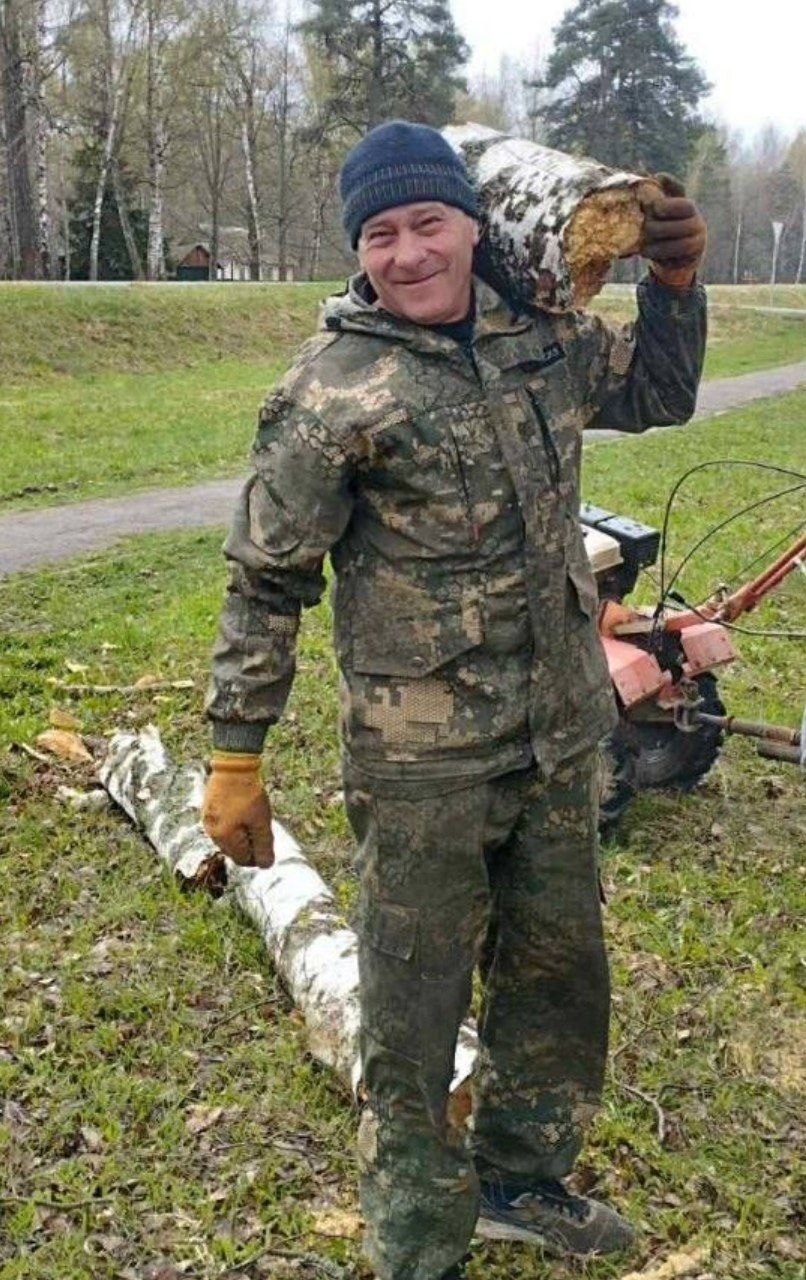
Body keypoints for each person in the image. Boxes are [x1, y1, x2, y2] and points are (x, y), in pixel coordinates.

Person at [201, 121, 707, 1280]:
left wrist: (675, 286)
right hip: (420, 764)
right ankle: (417, 1240)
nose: (407, 252)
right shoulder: (329, 391)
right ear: (356, 250)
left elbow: (659, 392)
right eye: (378, 233)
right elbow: (266, 579)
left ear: (473, 226)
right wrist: (235, 751)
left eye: (426, 222)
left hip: (560, 733)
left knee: (557, 977)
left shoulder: (544, 337)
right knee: (412, 1010)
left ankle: (520, 1178)